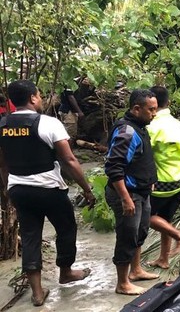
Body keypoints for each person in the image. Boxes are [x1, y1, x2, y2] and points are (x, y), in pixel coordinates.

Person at [0, 80, 96, 307]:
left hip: (19, 189)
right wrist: (87, 189)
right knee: (66, 228)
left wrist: (9, 188)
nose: (41, 98)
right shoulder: (48, 123)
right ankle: (66, 272)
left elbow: (2, 164)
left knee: (31, 235)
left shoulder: (2, 124)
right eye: (40, 95)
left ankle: (37, 292)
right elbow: (69, 160)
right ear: (33, 98)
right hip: (49, 189)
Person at [105, 89, 159, 295]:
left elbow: (139, 159)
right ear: (137, 109)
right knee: (127, 235)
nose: (155, 113)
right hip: (128, 194)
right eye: (151, 110)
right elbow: (113, 167)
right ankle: (122, 283)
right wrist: (126, 198)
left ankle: (136, 270)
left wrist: (148, 182)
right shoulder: (127, 131)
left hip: (141, 191)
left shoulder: (140, 126)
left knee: (140, 231)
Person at [146, 86, 180, 269]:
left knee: (145, 218)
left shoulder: (151, 127)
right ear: (169, 103)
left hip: (161, 183)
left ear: (152, 104)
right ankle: (163, 259)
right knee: (165, 220)